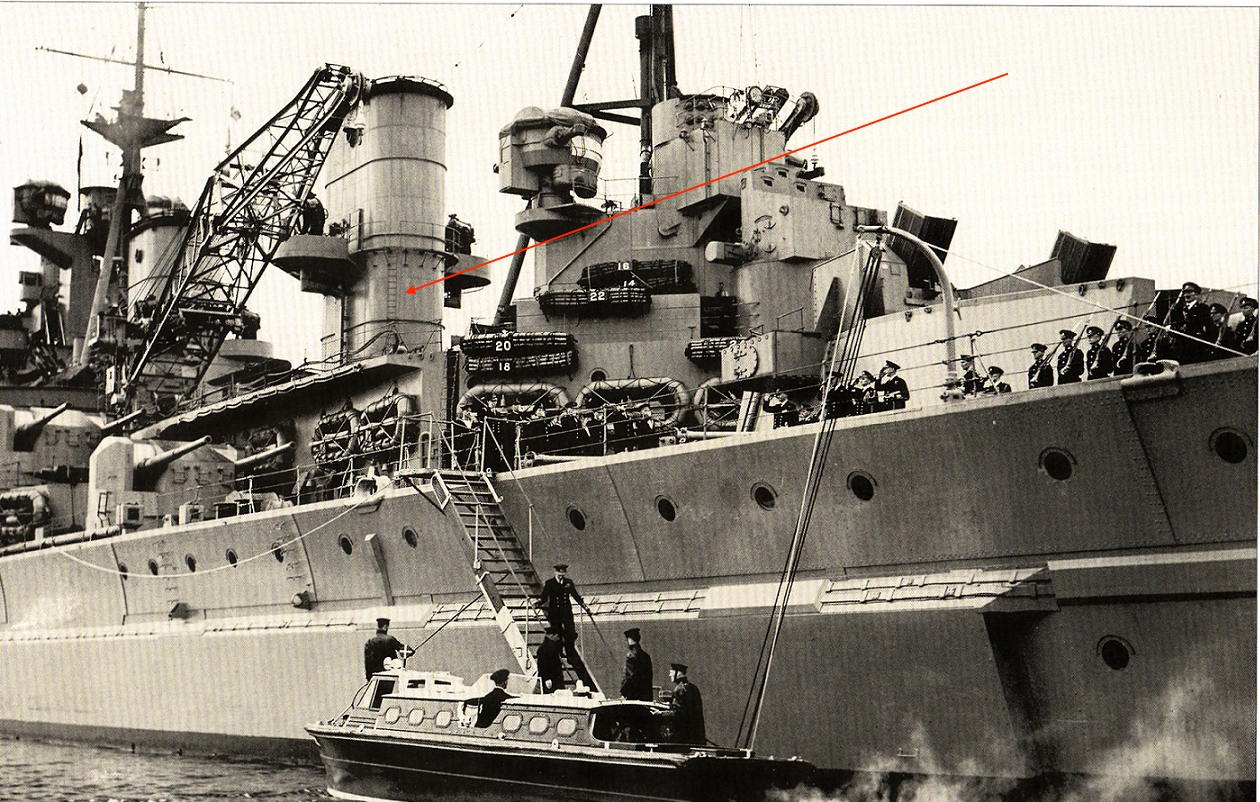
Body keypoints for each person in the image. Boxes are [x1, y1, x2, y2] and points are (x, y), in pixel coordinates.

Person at [535, 564, 595, 688]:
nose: (561, 575)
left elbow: (576, 596)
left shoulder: (568, 583)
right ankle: (558, 652)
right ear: (555, 572)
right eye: (559, 573)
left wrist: (585, 606)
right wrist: (538, 603)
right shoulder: (550, 583)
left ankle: (569, 652)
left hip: (566, 613)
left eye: (563, 573)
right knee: (557, 634)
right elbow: (544, 596)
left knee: (570, 633)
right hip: (555, 614)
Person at [1168, 281, 1211, 364]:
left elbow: (1208, 329)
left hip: (1196, 348)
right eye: (1185, 292)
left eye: (1190, 292)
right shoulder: (1178, 310)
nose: (1186, 295)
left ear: (1197, 294)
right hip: (1181, 349)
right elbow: (1174, 328)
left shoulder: (1203, 309)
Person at [668, 663, 705, 745]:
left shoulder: (680, 689)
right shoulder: (693, 687)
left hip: (683, 736)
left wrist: (660, 713)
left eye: (671, 672)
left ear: (678, 673)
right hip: (695, 736)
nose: (670, 674)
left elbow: (677, 712)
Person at [620, 627, 654, 701]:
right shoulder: (646, 656)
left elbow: (630, 677)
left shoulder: (631, 656)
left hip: (633, 697)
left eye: (627, 639)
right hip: (646, 696)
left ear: (630, 640)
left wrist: (623, 692)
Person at [535, 626, 565, 694]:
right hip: (551, 680)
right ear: (552, 635)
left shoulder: (548, 647)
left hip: (551, 679)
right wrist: (546, 678)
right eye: (558, 636)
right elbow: (542, 666)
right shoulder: (546, 648)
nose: (558, 638)